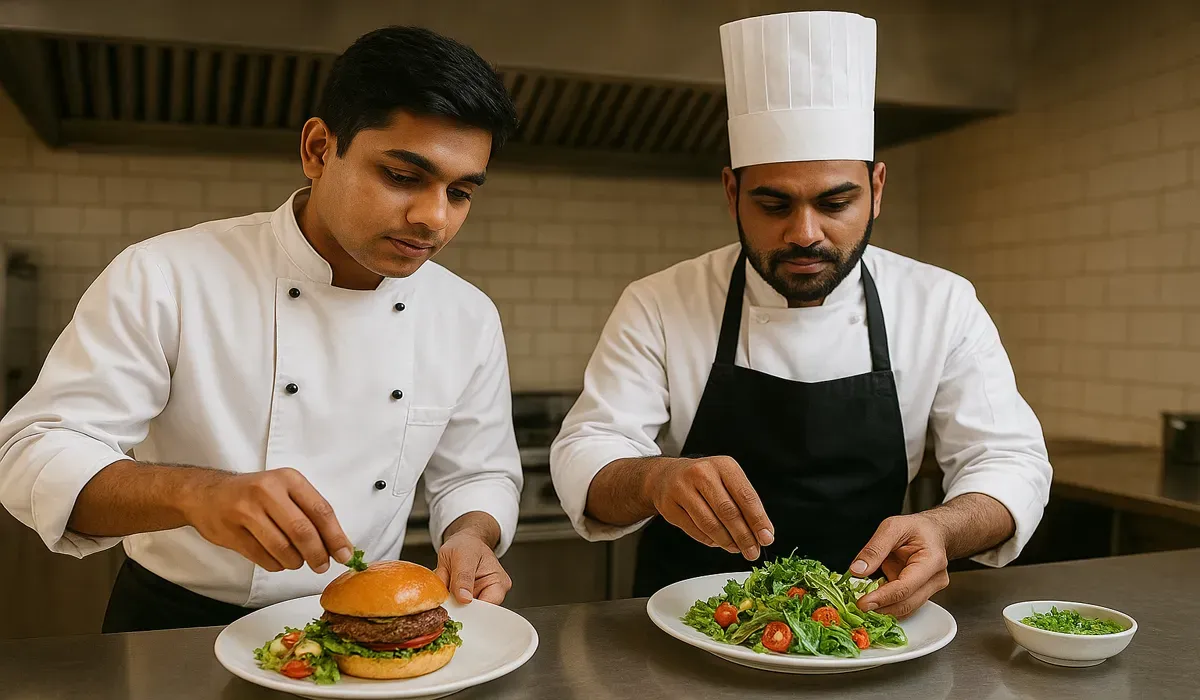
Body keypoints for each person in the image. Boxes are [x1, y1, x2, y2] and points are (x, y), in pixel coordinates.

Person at [0, 26, 523, 633]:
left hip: (363, 624)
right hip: (174, 626)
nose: (433, 218)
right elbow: (32, 451)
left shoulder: (467, 314)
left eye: (459, 193)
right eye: (403, 176)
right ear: (319, 149)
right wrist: (197, 495)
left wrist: (470, 533)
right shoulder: (168, 274)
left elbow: (478, 472)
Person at [550, 10, 1052, 617]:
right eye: (773, 204)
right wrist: (655, 479)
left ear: (878, 188)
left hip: (868, 621)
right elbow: (589, 450)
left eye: (836, 202)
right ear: (733, 192)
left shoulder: (940, 303)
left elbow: (1008, 461)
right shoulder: (660, 301)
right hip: (690, 625)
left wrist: (945, 528)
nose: (804, 233)